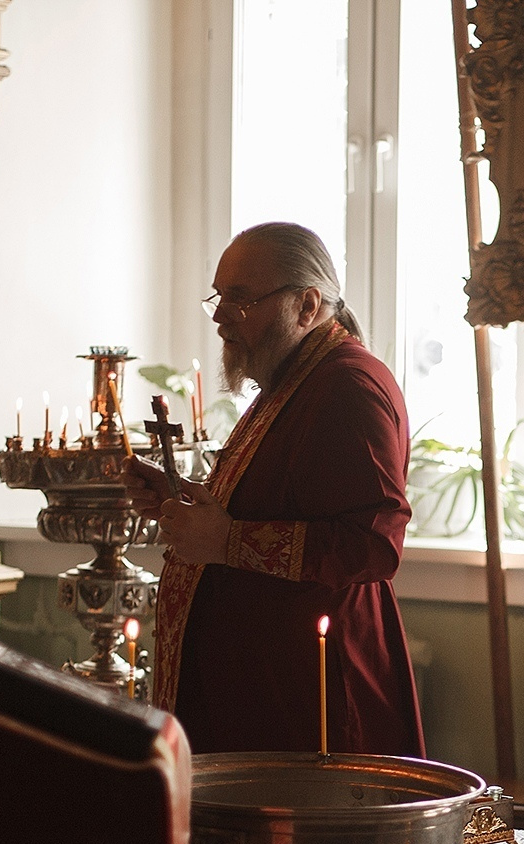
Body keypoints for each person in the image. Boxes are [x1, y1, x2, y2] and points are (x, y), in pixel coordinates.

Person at [124, 223, 424, 757]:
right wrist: (180, 497)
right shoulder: (293, 380)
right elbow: (274, 502)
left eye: (240, 299)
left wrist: (227, 542)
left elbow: (374, 545)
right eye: (218, 297)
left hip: (310, 701)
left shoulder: (348, 386)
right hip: (262, 690)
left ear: (307, 305)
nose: (220, 317)